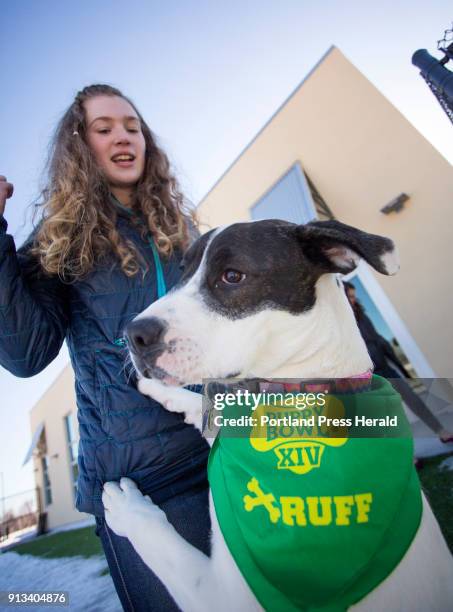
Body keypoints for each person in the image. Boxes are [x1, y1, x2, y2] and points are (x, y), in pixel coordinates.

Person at [0, 84, 211, 610]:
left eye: (133, 126)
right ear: (80, 145)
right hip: (141, 487)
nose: (123, 136)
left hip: (223, 449)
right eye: (104, 127)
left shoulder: (180, 229)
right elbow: (26, 353)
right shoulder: (61, 237)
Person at [344, 281, 453, 444]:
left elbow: (375, 337)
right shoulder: (342, 322)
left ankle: (441, 432)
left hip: (385, 367)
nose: (353, 300)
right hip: (369, 375)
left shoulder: (361, 314)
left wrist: (387, 350)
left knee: (413, 399)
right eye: (350, 296)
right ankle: (409, 454)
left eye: (354, 296)